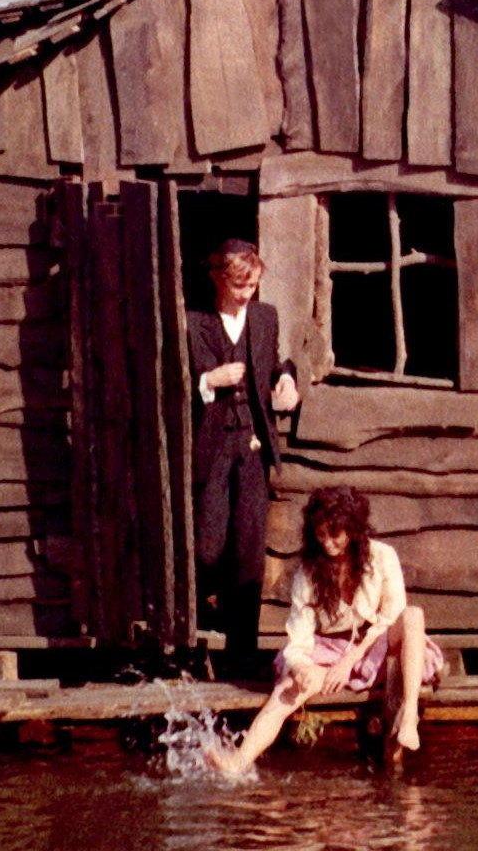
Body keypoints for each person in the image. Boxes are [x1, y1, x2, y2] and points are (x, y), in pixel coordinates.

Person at [210, 488, 438, 773]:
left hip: (376, 646)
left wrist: (351, 659)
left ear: (353, 530)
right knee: (288, 688)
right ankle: (238, 761)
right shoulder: (309, 571)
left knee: (413, 615)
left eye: (335, 534)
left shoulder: (382, 556)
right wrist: (300, 667)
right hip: (328, 653)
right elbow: (299, 634)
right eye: (321, 535)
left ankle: (408, 718)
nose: (328, 543)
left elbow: (390, 617)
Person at [187, 239, 299, 663]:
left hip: (252, 444)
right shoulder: (193, 322)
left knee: (249, 549)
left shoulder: (265, 317)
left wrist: (286, 380)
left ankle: (243, 652)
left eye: (252, 286)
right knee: (208, 547)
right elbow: (171, 382)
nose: (246, 295)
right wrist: (208, 381)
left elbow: (275, 364)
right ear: (217, 277)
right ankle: (202, 619)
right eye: (239, 286)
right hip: (213, 446)